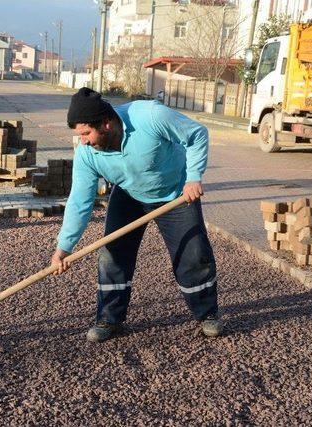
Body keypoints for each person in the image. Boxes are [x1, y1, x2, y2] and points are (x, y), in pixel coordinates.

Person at [50, 87, 221, 343]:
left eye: (86, 133)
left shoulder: (150, 116)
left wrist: (194, 177)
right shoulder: (86, 153)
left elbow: (197, 134)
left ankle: (207, 314)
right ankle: (109, 318)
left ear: (106, 123)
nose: (83, 140)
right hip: (129, 195)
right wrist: (64, 247)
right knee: (112, 256)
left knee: (194, 254)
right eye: (79, 134)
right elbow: (79, 201)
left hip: (175, 193)